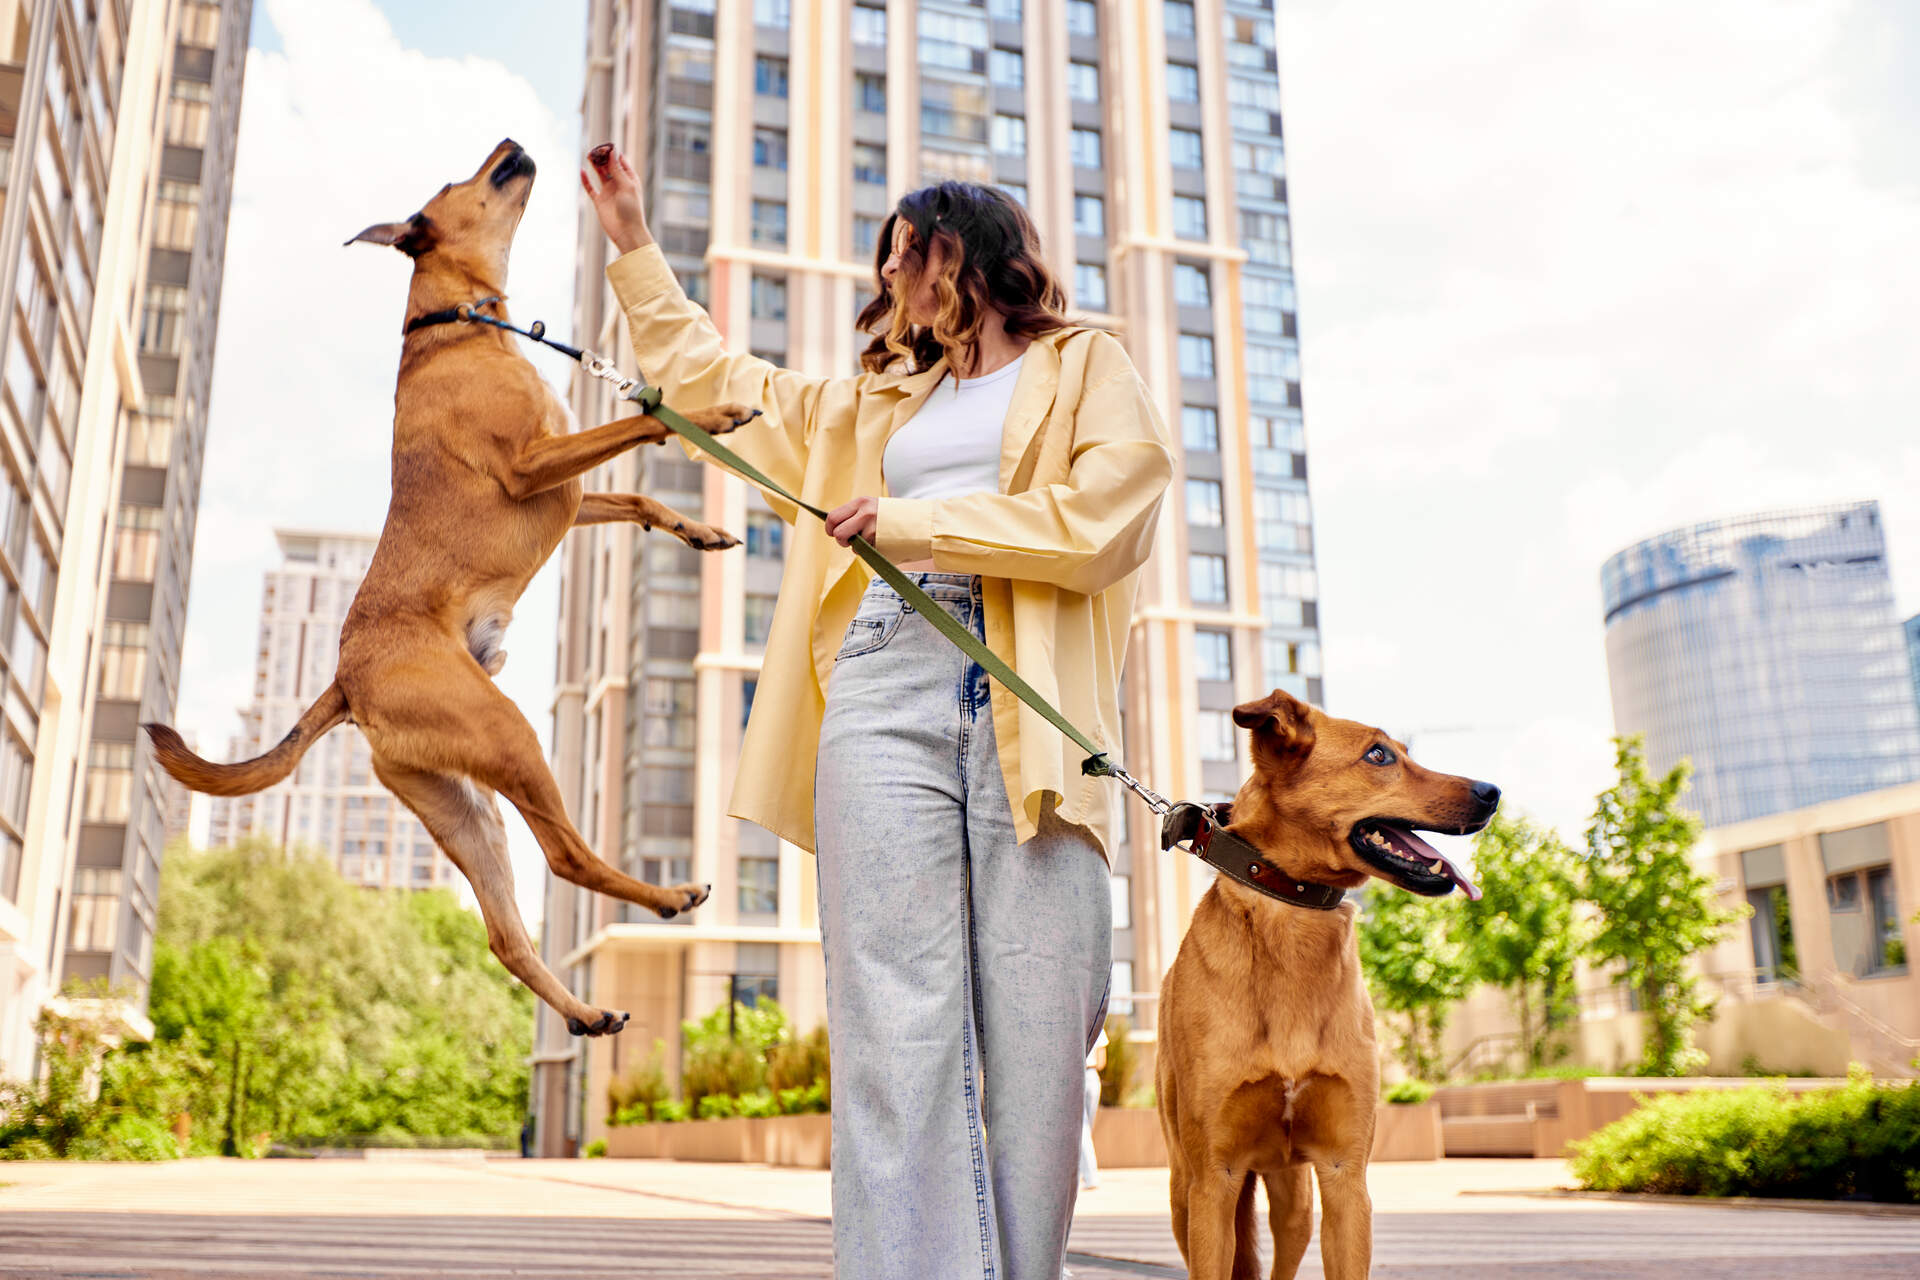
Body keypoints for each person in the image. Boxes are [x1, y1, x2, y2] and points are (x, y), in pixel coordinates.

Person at [582, 143, 1172, 1280]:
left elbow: (1106, 519)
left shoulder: (1089, 365)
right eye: (888, 263)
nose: (893, 280)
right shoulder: (873, 402)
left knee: (1044, 1028)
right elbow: (722, 387)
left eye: (911, 254)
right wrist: (632, 244)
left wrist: (916, 526)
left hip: (1029, 697)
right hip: (883, 670)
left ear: (970, 252)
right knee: (893, 1024)